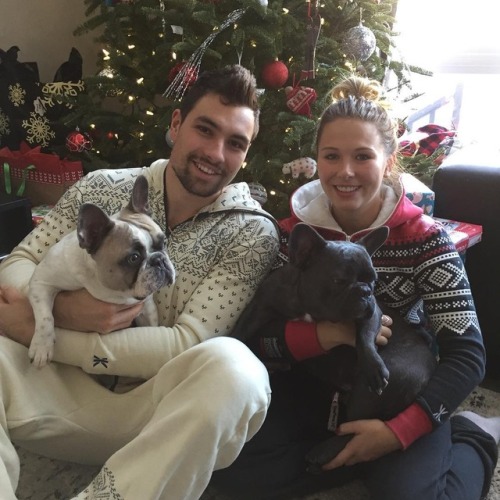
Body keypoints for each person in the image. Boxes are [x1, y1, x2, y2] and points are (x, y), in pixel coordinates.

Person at [211, 76, 500, 500]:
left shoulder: (427, 239)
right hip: (310, 387)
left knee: (413, 495)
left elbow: (467, 355)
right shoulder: (292, 238)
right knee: (230, 471)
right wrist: (322, 336)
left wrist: (398, 432)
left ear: (388, 161)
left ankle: (474, 437)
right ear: (317, 161)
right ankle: (349, 460)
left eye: (362, 156)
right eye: (332, 156)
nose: (345, 172)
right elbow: (257, 339)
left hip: (396, 393)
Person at [0, 64, 281, 500]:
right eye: (205, 130)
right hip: (47, 386)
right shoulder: (102, 188)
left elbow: (186, 345)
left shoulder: (251, 232)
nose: (215, 152)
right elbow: (18, 262)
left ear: (246, 154)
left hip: (154, 416)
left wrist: (33, 327)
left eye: (235, 143)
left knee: (237, 371)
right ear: (176, 124)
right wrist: (59, 312)